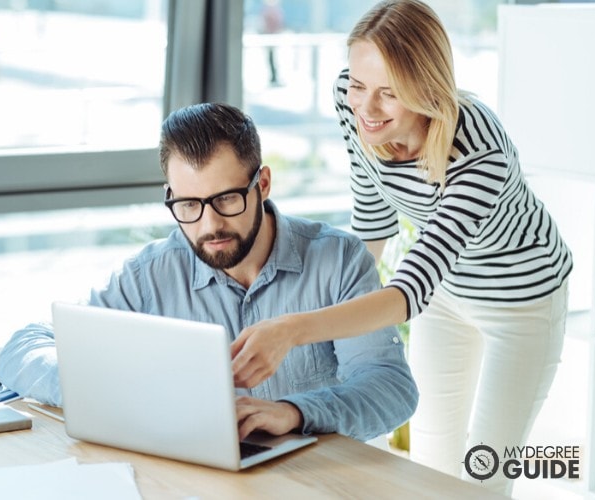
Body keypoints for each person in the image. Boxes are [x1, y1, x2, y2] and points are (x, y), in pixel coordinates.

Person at [230, 0, 572, 495]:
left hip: (522, 304)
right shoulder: (352, 103)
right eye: (359, 84)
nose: (365, 108)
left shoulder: (478, 152)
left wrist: (292, 329)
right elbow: (372, 219)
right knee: (429, 466)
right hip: (447, 295)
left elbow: (407, 292)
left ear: (427, 88)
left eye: (388, 94)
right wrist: (323, 318)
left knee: (486, 477)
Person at [0, 102, 417, 443]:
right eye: (188, 205)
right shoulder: (154, 273)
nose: (208, 225)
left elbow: (391, 388)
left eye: (227, 199)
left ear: (263, 183)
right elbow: (26, 347)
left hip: (315, 480)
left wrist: (294, 413)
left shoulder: (338, 260)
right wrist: (109, 390)